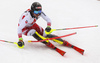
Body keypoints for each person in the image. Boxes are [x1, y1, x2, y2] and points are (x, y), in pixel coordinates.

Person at [17, 2, 83, 56]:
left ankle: (63, 42)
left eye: (39, 12)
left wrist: (48, 27)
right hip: (24, 28)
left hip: (32, 24)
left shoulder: (39, 12)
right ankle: (47, 43)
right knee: (34, 32)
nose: (38, 14)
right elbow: (19, 28)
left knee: (46, 34)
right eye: (36, 12)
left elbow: (48, 20)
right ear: (32, 11)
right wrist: (20, 39)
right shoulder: (27, 17)